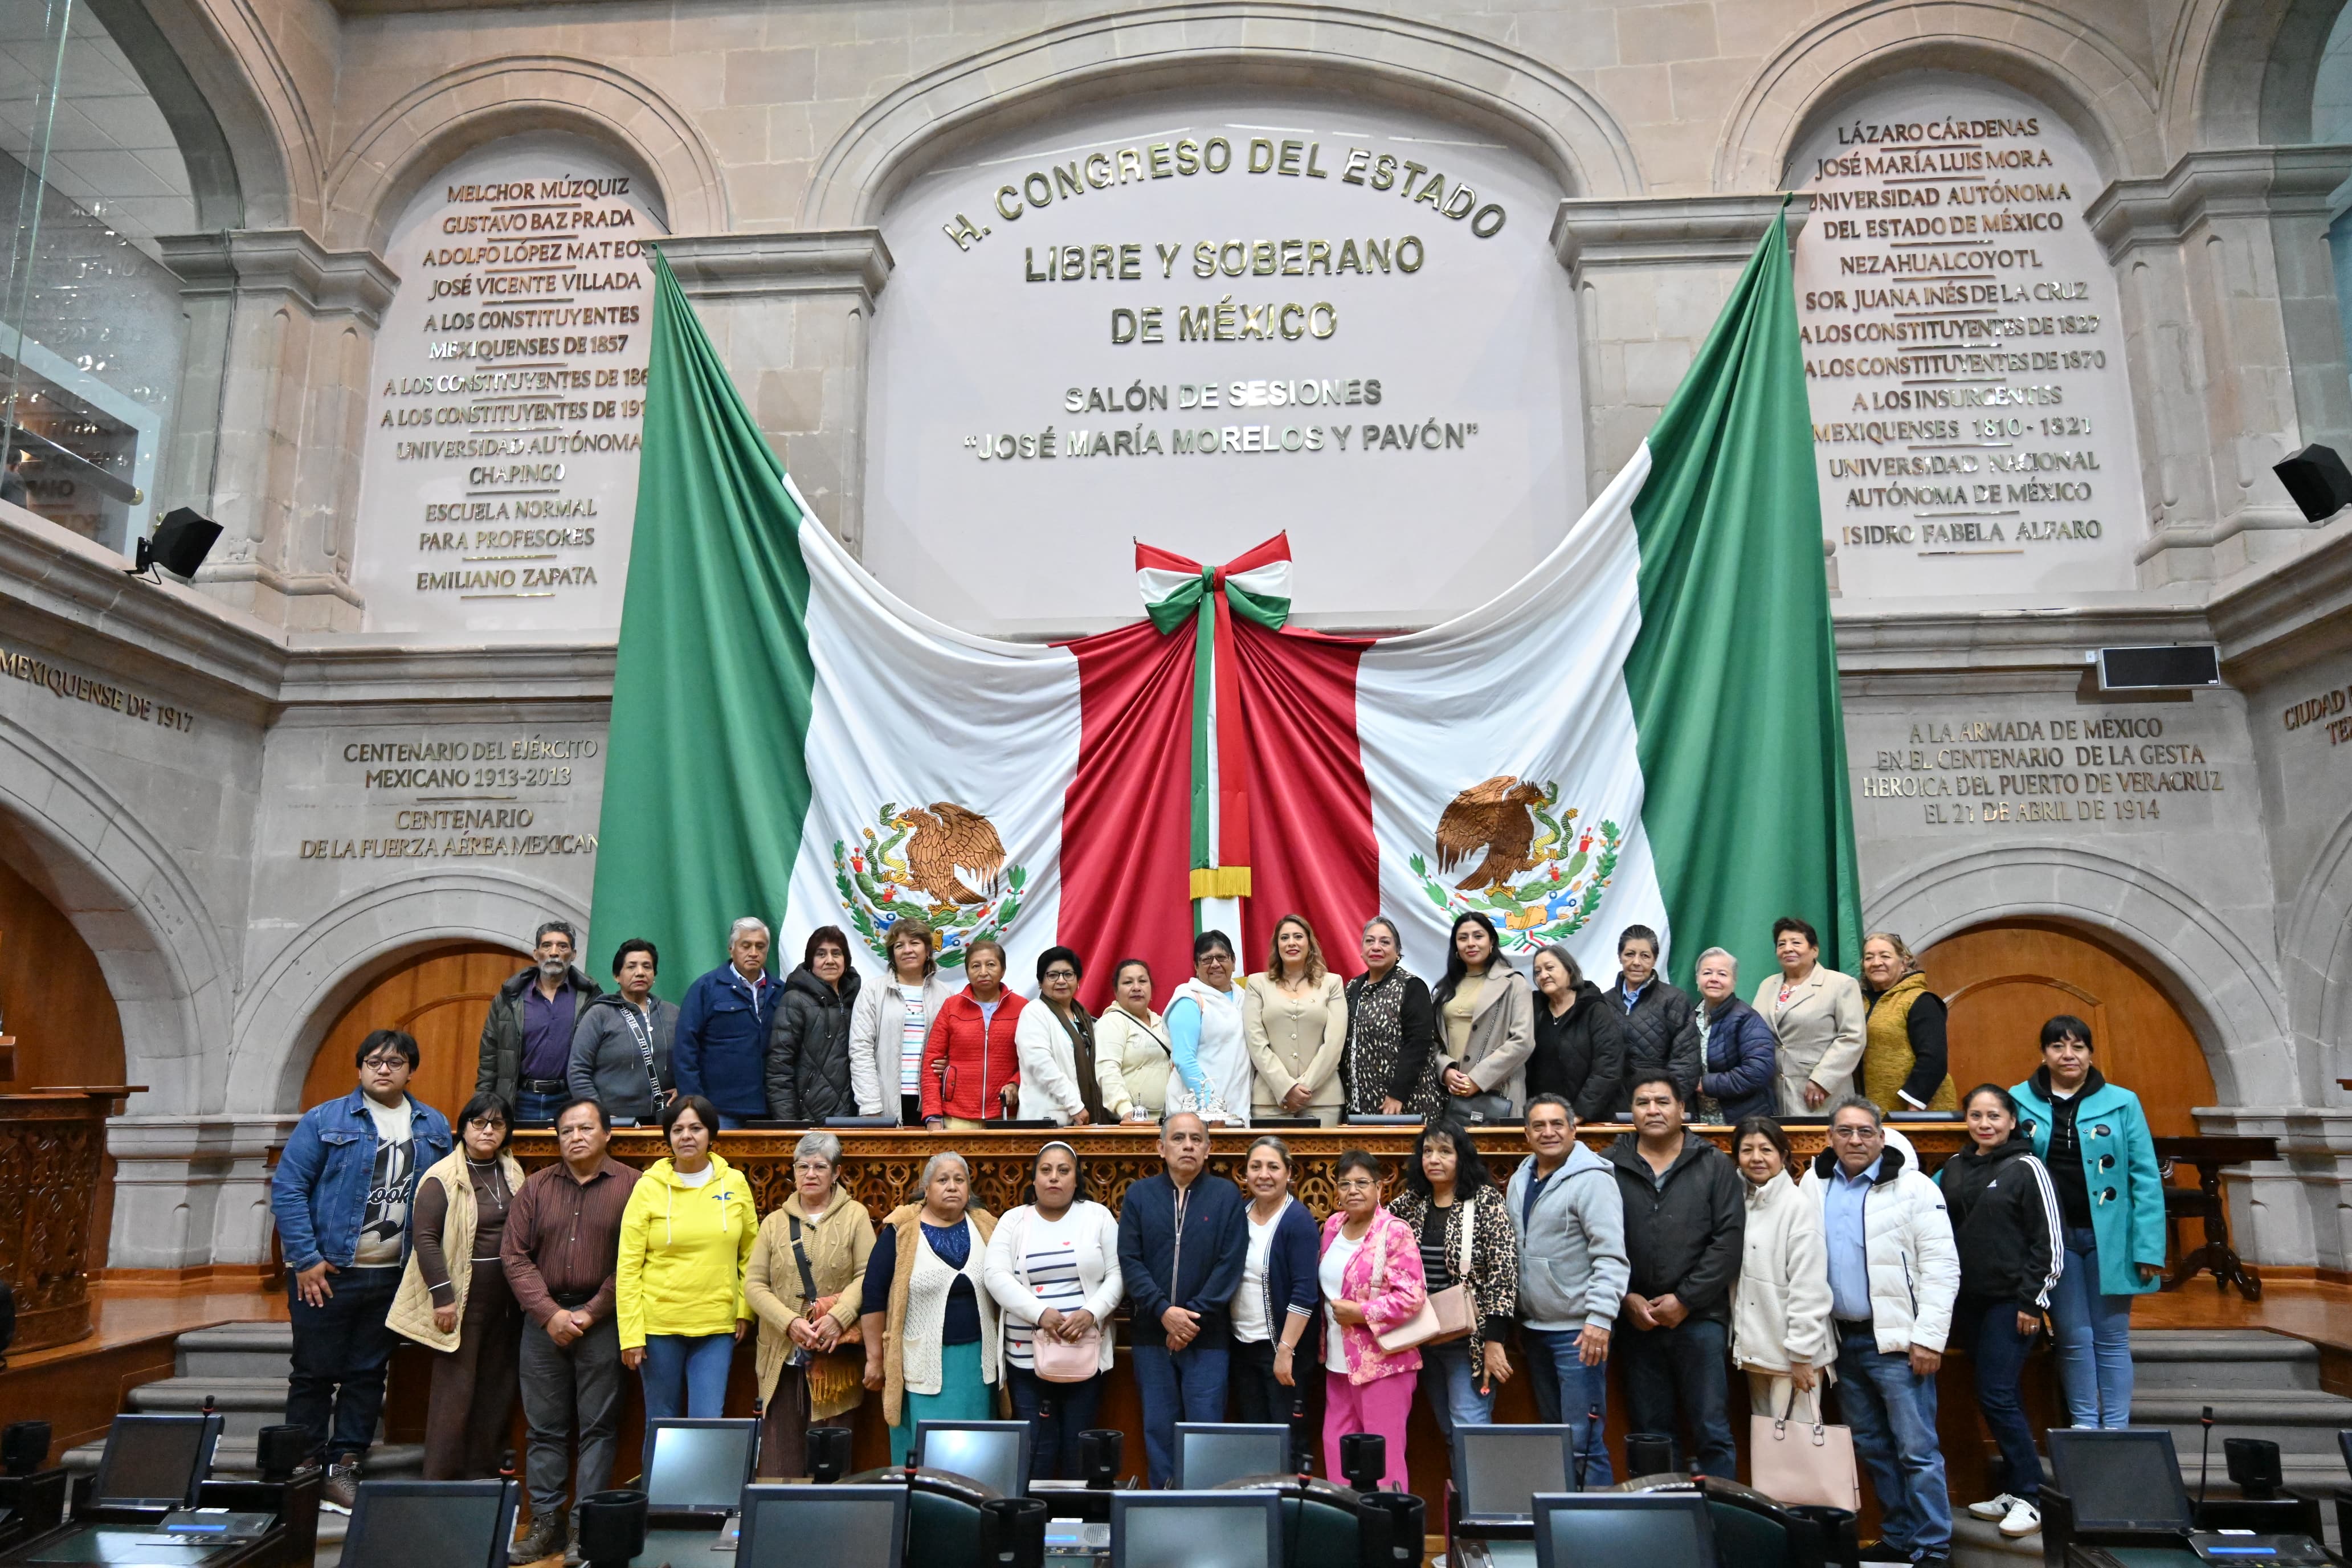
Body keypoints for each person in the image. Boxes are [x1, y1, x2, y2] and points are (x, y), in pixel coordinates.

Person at [270, 1028, 454, 1508]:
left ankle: (344, 1466)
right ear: (360, 1068)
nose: (383, 1069)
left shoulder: (433, 1125)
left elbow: (445, 1198)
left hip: (393, 1274)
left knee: (368, 1374)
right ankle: (304, 1467)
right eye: (374, 1061)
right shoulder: (324, 1119)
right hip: (327, 1273)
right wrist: (306, 1259)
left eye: (395, 1062)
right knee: (313, 1373)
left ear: (411, 1071)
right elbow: (289, 1189)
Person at [1804, 1095, 1960, 1568]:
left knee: (1917, 1451)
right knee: (1872, 1447)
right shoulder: (1814, 1184)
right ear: (1830, 1137)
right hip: (1842, 1341)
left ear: (1881, 1136)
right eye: (1845, 1131)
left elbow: (1942, 1267)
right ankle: (1899, 1534)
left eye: (1865, 1131)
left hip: (1897, 1343)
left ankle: (1933, 1545)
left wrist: (1929, 1338)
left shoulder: (1912, 1187)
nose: (1855, 1140)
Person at [501, 1097, 639, 1566]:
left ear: (607, 1133)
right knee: (544, 1428)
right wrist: (550, 1314)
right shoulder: (536, 1187)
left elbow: (636, 1260)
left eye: (585, 1128)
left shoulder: (633, 1186)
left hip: (603, 1322)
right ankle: (546, 1524)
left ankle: (586, 1526)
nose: (575, 1137)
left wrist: (591, 1312)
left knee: (599, 1427)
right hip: (543, 1323)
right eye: (566, 1131)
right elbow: (514, 1257)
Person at [2010, 1015, 2163, 1430]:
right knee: (2074, 1337)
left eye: (2078, 1047)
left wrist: (2149, 1247)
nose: (2069, 1055)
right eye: (2058, 1046)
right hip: (2052, 1241)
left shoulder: (2123, 1101)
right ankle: (2083, 1427)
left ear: (2091, 1054)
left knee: (2112, 1338)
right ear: (2043, 1054)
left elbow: (2145, 1177)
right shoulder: (2018, 1100)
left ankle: (2115, 1428)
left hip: (2111, 1239)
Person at [1603, 1071, 1746, 1480]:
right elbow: (1597, 1240)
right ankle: (1664, 1519)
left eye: (1663, 1102)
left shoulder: (1714, 1164)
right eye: (1643, 1103)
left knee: (1712, 1429)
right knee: (1652, 1434)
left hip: (1699, 1319)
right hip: (1638, 1320)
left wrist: (1685, 1299)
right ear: (1631, 1112)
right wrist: (1626, 1297)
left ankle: (1720, 1516)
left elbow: (1728, 1242)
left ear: (1683, 1109)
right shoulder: (1609, 1165)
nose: (1653, 1110)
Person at [1939, 1085, 2061, 1540]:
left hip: (2012, 1302)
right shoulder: (1954, 1167)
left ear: (2012, 1121)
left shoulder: (2028, 1168)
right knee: (1992, 1393)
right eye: (1976, 1115)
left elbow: (2049, 1242)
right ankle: (2013, 1490)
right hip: (1966, 1302)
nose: (1985, 1124)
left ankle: (2033, 1496)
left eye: (1994, 1116)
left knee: (1997, 1392)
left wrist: (2033, 1301)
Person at [389, 1092, 526, 1481]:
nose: (487, 1130)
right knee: (457, 1391)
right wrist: (443, 1298)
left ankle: (482, 1472)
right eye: (478, 1123)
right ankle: (441, 1480)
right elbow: (425, 1240)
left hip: (506, 1299)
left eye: (497, 1124)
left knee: (497, 1385)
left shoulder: (512, 1170)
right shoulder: (442, 1177)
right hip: (461, 1298)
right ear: (464, 1128)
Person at [1117, 1110, 1248, 1486]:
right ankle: (1163, 1506)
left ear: (1208, 1149)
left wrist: (1189, 1319)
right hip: (1151, 1335)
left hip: (1206, 1338)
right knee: (1158, 1430)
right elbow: (1130, 1260)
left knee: (1205, 1433)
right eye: (1178, 1138)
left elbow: (1230, 1264)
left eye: (1196, 1139)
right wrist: (1164, 1312)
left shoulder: (1226, 1196)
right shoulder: (1139, 1196)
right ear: (1161, 1148)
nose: (1187, 1146)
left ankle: (1205, 1508)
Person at [615, 1095, 757, 1444]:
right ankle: (656, 1485)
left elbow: (751, 1255)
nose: (687, 1136)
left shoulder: (735, 1183)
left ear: (711, 1134)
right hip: (659, 1327)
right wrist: (631, 1335)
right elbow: (628, 1265)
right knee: (661, 1425)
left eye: (696, 1128)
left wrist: (745, 1309)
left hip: (717, 1325)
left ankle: (705, 1487)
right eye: (678, 1130)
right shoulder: (648, 1187)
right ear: (668, 1137)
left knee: (707, 1426)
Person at [985, 1142, 1124, 1483]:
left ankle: (1076, 1517)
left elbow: (1119, 1274)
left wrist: (1091, 1313)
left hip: (1084, 1354)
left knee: (1079, 1451)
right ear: (1033, 1180)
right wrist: (1040, 1313)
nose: (1054, 1178)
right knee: (1037, 1453)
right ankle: (1036, 1516)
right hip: (1026, 1360)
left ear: (1077, 1180)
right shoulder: (1013, 1221)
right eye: (1045, 1171)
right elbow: (995, 1276)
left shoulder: (1097, 1216)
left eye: (1064, 1171)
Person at [1506, 1094, 1626, 1487]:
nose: (1549, 1132)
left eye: (1557, 1124)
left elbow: (1611, 1255)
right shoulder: (1521, 1178)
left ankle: (1600, 1526)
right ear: (1527, 1134)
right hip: (1534, 1331)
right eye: (1539, 1126)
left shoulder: (1593, 1179)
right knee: (1554, 1441)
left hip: (1579, 1334)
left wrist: (1600, 1319)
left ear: (1574, 1130)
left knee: (1582, 1443)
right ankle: (1564, 1522)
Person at [744, 1130, 875, 1480]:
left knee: (830, 1467)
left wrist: (839, 1317)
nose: (810, 1174)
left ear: (836, 1173)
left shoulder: (856, 1216)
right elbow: (754, 1285)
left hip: (834, 1360)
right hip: (781, 1359)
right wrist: (789, 1322)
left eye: (820, 1167)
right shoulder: (773, 1223)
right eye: (802, 1167)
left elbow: (869, 1275)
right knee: (779, 1466)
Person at [861, 1150, 1001, 1465]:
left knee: (976, 1453)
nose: (952, 1186)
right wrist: (875, 1359)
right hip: (920, 1364)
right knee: (929, 1455)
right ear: (926, 1189)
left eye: (959, 1180)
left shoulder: (986, 1226)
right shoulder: (901, 1231)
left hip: (977, 1364)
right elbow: (873, 1294)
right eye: (943, 1180)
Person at [1388, 1121, 1518, 1443]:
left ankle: (1479, 1481)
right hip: (1423, 1337)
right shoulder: (1412, 1202)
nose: (1434, 1159)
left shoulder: (1486, 1200)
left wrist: (1494, 1341)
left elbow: (1503, 1273)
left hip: (1469, 1343)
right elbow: (1376, 1229)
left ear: (1462, 1157)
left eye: (1445, 1151)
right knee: (1448, 1431)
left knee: (1469, 1431)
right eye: (1428, 1151)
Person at [1318, 1150, 1426, 1494]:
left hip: (1384, 1364)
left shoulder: (1394, 1232)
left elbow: (1412, 1296)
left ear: (1380, 1188)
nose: (1353, 1190)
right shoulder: (1333, 1226)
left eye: (1362, 1182)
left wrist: (1361, 1313)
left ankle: (1392, 1527)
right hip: (1338, 1363)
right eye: (1345, 1183)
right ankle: (1344, 1524)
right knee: (1336, 1451)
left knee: (1384, 1460)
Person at [1727, 1117, 1833, 1423]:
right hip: (1756, 1354)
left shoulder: (1798, 1206)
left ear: (1783, 1156)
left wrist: (1802, 1353)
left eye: (1766, 1149)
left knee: (1800, 1446)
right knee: (1768, 1446)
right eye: (1747, 1150)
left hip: (1795, 1356)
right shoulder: (1734, 1202)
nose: (1756, 1158)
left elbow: (1809, 1286)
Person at [1227, 1136, 1321, 1469]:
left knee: (1287, 1441)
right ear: (1245, 1173)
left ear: (1289, 1173)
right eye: (1256, 1167)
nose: (1263, 1175)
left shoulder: (1297, 1220)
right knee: (1255, 1442)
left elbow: (1305, 1293)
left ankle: (1292, 1502)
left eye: (1273, 1167)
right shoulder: (1238, 1214)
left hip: (1282, 1350)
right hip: (1242, 1346)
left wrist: (1286, 1351)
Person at [477, 921, 603, 1125]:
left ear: (573, 955)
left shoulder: (591, 999)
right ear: (536, 954)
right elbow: (489, 1056)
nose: (554, 953)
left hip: (571, 1100)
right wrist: (483, 1104)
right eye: (547, 946)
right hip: (519, 1100)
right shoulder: (510, 998)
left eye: (562, 946)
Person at [673, 917, 783, 1128]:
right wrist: (695, 1104)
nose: (754, 953)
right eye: (746, 946)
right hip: (718, 1110)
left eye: (760, 946)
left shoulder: (780, 991)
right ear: (731, 949)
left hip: (771, 1108)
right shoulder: (705, 988)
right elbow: (685, 1049)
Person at [849, 914, 958, 1124]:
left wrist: (950, 1063)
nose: (907, 950)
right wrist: (870, 1106)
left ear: (927, 951)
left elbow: (958, 1049)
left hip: (933, 1103)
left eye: (915, 943)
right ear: (893, 954)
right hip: (884, 1102)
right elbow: (860, 1050)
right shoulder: (873, 991)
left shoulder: (947, 995)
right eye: (899, 945)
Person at [1244, 913, 1348, 1125]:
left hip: (1322, 1100)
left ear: (1310, 943)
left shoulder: (1332, 983)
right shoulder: (1257, 984)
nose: (1291, 942)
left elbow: (1334, 1044)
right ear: (1277, 946)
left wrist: (1304, 1088)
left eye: (1298, 937)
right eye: (1285, 938)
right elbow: (1256, 1042)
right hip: (1270, 1100)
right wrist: (1286, 1088)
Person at [1757, 916, 1867, 1115]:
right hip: (1774, 1096)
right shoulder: (1767, 985)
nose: (1788, 949)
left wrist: (1822, 1080)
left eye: (1796, 943)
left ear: (1815, 950)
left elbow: (1852, 1037)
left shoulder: (1841, 984)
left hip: (1821, 1095)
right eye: (1782, 944)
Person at [1430, 912, 1535, 1120]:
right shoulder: (1443, 989)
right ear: (1456, 946)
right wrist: (1445, 1070)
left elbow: (1523, 1041)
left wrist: (1478, 1079)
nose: (1471, 943)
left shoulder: (1514, 983)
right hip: (1451, 1096)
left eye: (1478, 936)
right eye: (1463, 938)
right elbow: (1431, 1042)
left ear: (1492, 942)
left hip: (1500, 1094)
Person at [569, 938, 679, 1125]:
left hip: (666, 1120)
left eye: (647, 967)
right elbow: (578, 1071)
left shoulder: (673, 1013)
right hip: (615, 1121)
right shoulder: (599, 1014)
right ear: (616, 976)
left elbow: (693, 1060)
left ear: (654, 974)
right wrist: (597, 1113)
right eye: (631, 967)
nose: (640, 972)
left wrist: (685, 1088)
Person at [920, 938, 1027, 1128]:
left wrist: (1016, 1084)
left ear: (1003, 970)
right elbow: (931, 1064)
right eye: (976, 966)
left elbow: (1031, 1060)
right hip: (957, 1117)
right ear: (967, 972)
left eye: (991, 965)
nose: (983, 972)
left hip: (1005, 1115)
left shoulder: (1022, 1007)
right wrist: (933, 1115)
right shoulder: (951, 1007)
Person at [1342, 917, 1440, 1117]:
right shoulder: (1352, 988)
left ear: (1397, 953)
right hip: (1359, 1103)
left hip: (1405, 1103)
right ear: (1362, 951)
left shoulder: (1411, 986)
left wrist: (1398, 1094)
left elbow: (1419, 1044)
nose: (1376, 947)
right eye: (1370, 941)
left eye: (1385, 942)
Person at [766, 926, 864, 1121]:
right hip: (807, 1118)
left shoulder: (860, 1000)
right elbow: (779, 1068)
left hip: (854, 1117)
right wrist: (789, 1124)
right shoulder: (794, 1001)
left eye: (837, 953)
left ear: (846, 960)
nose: (830, 960)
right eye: (821, 954)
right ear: (810, 961)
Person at [1860, 933, 1958, 1113]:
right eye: (1869, 958)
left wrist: (1913, 1108)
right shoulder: (1858, 1002)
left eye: (1885, 956)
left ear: (1904, 962)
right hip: (1873, 1113)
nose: (1876, 963)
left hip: (1915, 1113)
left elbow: (1934, 1059)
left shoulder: (1921, 1001)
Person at [1527, 943, 1625, 1122]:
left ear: (1570, 971)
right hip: (1542, 1119)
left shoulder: (1595, 1009)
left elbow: (1608, 1067)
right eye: (1537, 972)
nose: (1543, 975)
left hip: (1586, 1120)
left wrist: (1579, 1113)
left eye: (1550, 968)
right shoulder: (1533, 1009)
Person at [1166, 930, 1254, 1124]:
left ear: (1234, 961)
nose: (1215, 964)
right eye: (1207, 959)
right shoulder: (1189, 999)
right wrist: (1211, 1106)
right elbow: (1184, 1060)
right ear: (1196, 966)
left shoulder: (1246, 998)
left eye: (1222, 957)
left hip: (1239, 1108)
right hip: (1197, 1113)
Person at [1017, 946, 1109, 1125]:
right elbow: (1041, 1065)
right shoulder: (1034, 1012)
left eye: (1068, 974)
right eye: (1053, 975)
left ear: (1077, 981)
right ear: (1040, 982)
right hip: (1048, 1120)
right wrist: (1074, 1104)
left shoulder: (1084, 1018)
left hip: (1082, 1118)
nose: (1061, 981)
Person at [1609, 925, 1700, 1105]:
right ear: (1620, 956)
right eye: (1630, 954)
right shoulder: (1604, 1002)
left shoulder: (1675, 1000)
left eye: (1645, 956)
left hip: (1660, 1107)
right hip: (1614, 1108)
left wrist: (1663, 1104)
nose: (1636, 962)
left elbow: (1686, 1062)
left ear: (1655, 959)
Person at [1693, 948, 1777, 1124]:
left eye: (1722, 974)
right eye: (1707, 973)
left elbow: (1757, 1072)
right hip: (1698, 1121)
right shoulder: (1689, 1017)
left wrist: (1703, 1084)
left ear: (1734, 981)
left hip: (1743, 1122)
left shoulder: (1747, 1019)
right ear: (1697, 979)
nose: (1714, 979)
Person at [1095, 958, 1174, 1124]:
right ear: (1116, 991)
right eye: (1128, 982)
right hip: (1130, 1122)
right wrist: (1125, 1110)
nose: (1137, 987)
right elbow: (1107, 1070)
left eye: (1143, 981)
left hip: (1166, 1120)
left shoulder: (1163, 1023)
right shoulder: (1112, 1022)